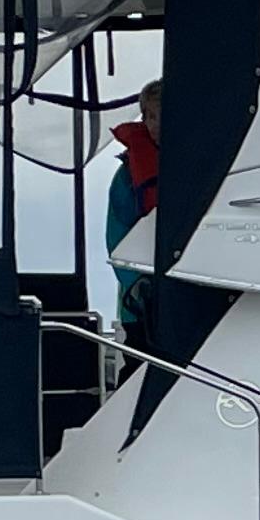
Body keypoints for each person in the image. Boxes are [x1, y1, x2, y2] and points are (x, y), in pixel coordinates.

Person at [102, 82, 163, 338]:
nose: (156, 123)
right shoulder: (127, 176)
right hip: (141, 303)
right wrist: (137, 288)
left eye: (164, 114)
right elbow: (117, 240)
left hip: (191, 291)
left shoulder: (206, 166)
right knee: (138, 367)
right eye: (150, 116)